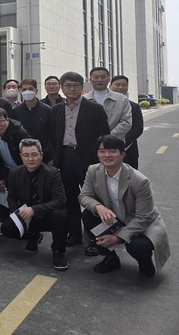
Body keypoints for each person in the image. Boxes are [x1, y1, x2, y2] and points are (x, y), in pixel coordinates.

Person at [79, 135, 170, 277]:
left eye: (112, 151)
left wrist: (118, 238)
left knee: (137, 246)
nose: (107, 155)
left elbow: (144, 217)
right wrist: (98, 207)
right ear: (97, 154)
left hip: (139, 223)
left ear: (122, 154)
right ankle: (110, 257)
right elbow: (84, 196)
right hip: (113, 218)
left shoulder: (140, 181)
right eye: (102, 151)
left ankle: (144, 261)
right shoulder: (93, 170)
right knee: (88, 214)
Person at [52, 71, 110, 247]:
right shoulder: (55, 110)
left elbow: (104, 136)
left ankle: (95, 238)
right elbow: (52, 136)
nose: (71, 89)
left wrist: (102, 159)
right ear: (61, 88)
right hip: (64, 158)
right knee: (70, 197)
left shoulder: (95, 109)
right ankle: (75, 233)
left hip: (88, 158)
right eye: (67, 85)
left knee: (94, 197)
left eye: (75, 85)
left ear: (82, 87)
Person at [0, 139, 68, 271]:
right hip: (26, 216)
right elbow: (11, 197)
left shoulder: (53, 173)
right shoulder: (14, 172)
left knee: (61, 215)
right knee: (6, 228)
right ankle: (33, 236)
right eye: (26, 155)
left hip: (47, 214)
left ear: (41, 155)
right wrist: (17, 214)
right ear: (21, 156)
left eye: (34, 155)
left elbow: (60, 201)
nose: (30, 159)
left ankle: (58, 251)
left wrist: (34, 210)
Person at [0, 107, 29, 235]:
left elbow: (28, 153)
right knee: (1, 192)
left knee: (22, 194)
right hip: (5, 168)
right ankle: (2, 219)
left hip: (22, 168)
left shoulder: (18, 132)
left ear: (7, 120)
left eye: (1, 121)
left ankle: (25, 222)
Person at [85, 67, 132, 142]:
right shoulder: (83, 100)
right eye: (96, 77)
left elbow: (126, 123)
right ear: (90, 80)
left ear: (109, 79)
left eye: (103, 77)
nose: (99, 80)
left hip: (115, 143)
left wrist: (108, 139)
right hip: (89, 143)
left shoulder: (122, 99)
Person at [13, 78, 55, 162]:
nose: (27, 91)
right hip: (23, 154)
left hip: (44, 154)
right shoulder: (16, 111)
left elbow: (52, 134)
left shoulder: (47, 110)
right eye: (24, 89)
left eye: (30, 89)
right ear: (20, 91)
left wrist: (48, 152)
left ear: (36, 90)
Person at [109, 75, 144, 169]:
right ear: (110, 86)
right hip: (105, 149)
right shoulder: (101, 104)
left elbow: (138, 128)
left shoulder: (134, 106)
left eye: (124, 85)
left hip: (128, 149)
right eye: (117, 85)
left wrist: (120, 143)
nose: (121, 87)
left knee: (130, 176)